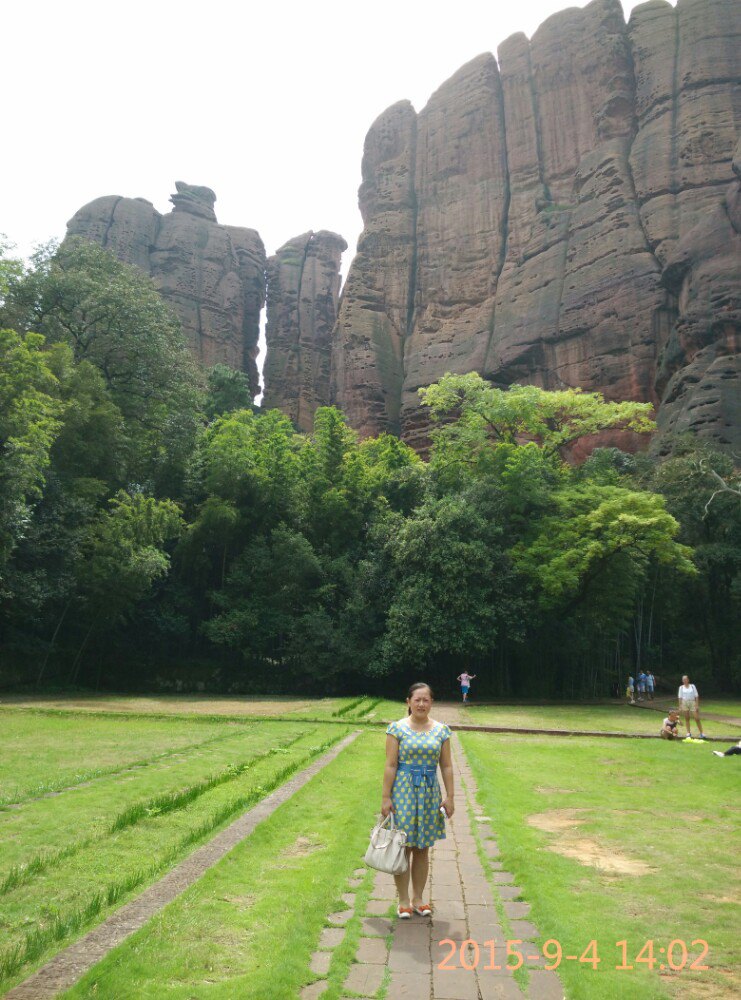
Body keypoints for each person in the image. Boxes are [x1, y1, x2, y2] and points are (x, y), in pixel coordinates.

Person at [382, 683, 454, 918]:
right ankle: (403, 900)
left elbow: (446, 766)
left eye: (426, 700)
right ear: (409, 702)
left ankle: (418, 899)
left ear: (431, 703)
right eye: (417, 700)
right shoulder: (397, 729)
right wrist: (385, 797)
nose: (422, 704)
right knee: (403, 846)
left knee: (422, 848)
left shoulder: (442, 731)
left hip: (429, 794)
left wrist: (450, 797)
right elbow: (391, 765)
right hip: (403, 792)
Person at [677, 675, 706, 740]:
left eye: (685, 679)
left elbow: (696, 696)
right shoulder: (681, 687)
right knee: (687, 718)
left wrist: (697, 705)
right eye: (683, 680)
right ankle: (688, 733)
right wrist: (680, 706)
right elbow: (680, 697)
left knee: (697, 718)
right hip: (685, 702)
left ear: (688, 680)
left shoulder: (692, 686)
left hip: (692, 702)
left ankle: (701, 733)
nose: (684, 681)